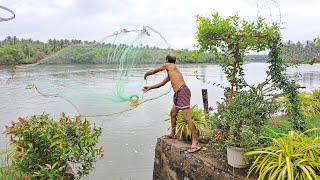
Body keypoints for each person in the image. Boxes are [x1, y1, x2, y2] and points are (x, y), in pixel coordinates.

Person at [142, 54, 201, 153]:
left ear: (167, 60)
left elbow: (154, 71)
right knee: (173, 113)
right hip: (179, 93)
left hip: (183, 92)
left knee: (187, 118)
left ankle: (195, 142)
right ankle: (173, 134)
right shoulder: (171, 71)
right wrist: (150, 87)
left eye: (165, 61)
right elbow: (162, 83)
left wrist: (146, 74)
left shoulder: (169, 65)